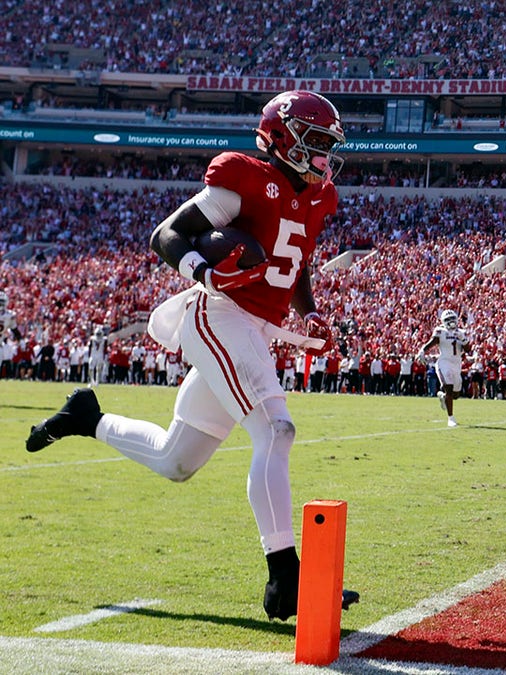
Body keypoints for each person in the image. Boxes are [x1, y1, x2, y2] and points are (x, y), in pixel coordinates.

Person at [25, 90, 355, 621]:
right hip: (219, 313)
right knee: (276, 431)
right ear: (283, 138)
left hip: (256, 328)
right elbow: (168, 235)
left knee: (176, 461)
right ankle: (286, 576)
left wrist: (307, 312)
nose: (323, 157)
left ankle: (88, 418)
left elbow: (297, 261)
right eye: (315, 144)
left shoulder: (319, 196)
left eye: (326, 146)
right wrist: (206, 272)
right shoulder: (246, 176)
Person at [417, 309, 471, 427]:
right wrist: (423, 350)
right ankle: (451, 418)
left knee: (455, 395)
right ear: (443, 321)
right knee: (449, 389)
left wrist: (464, 339)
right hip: (444, 362)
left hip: (457, 364)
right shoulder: (440, 331)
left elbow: (468, 349)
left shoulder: (461, 332)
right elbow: (433, 342)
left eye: (452, 319)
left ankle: (442, 396)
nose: (451, 322)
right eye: (448, 320)